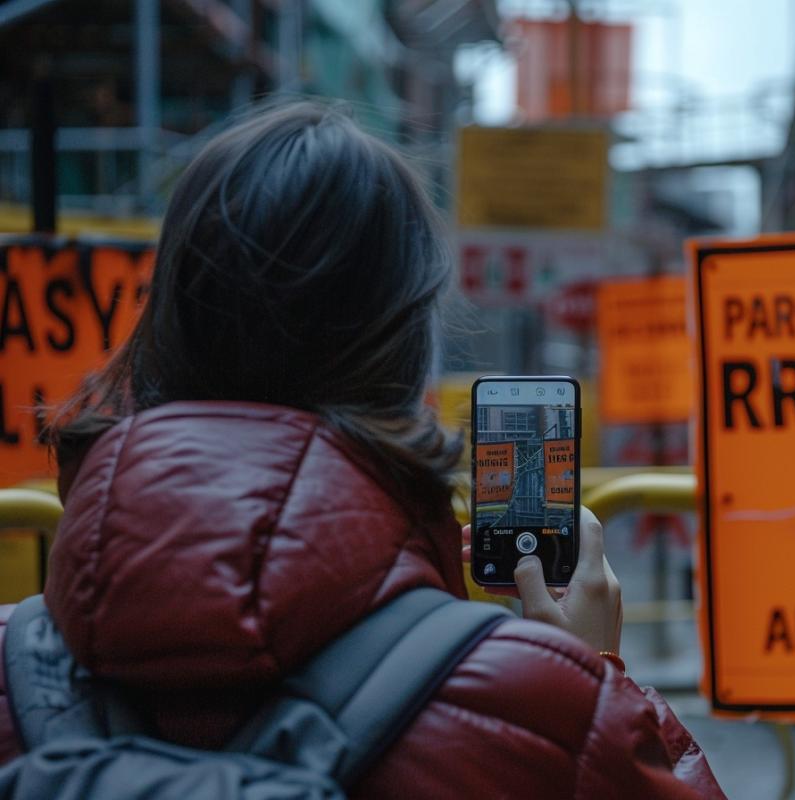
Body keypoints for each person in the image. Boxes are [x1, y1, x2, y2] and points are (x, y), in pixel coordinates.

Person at [0, 102, 724, 798]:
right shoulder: (544, 710)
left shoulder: (9, 668)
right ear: (406, 355)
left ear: (165, 320)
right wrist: (596, 679)